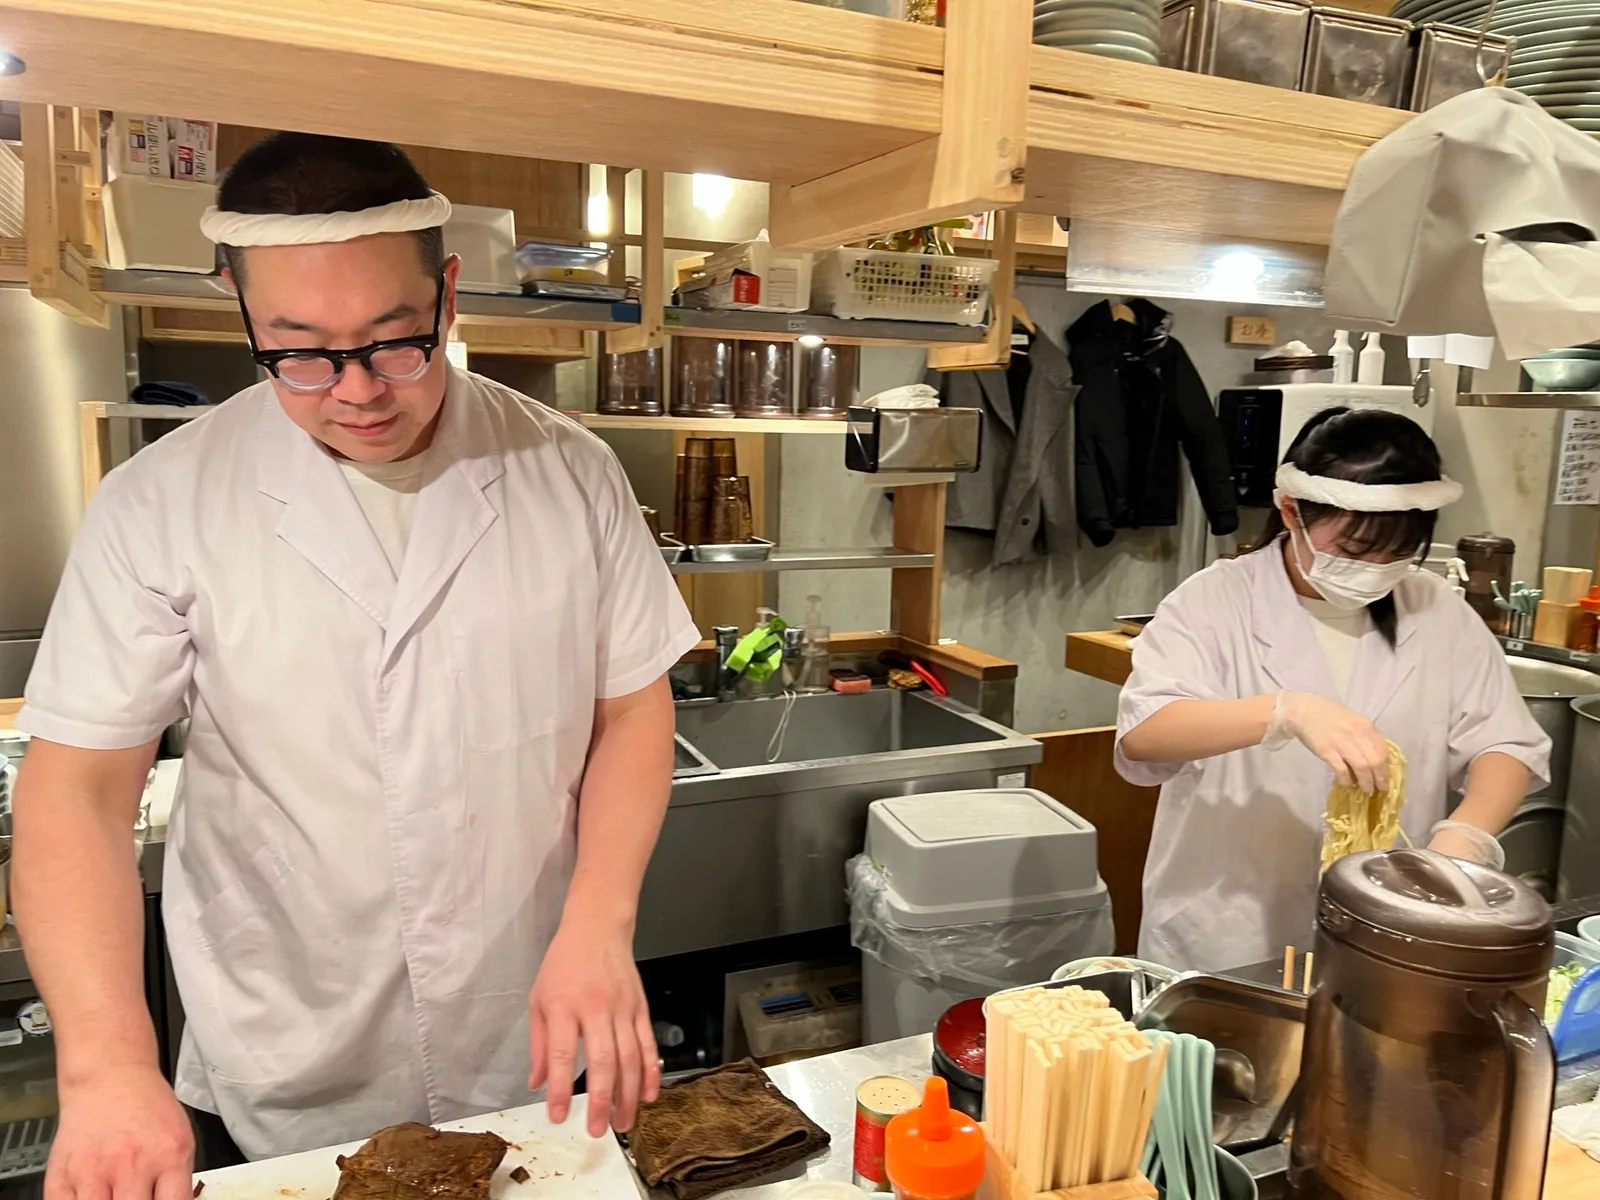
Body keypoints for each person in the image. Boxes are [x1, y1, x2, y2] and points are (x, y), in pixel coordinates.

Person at [10, 133, 700, 1183]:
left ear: (448, 294)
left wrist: (601, 922)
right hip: (289, 1042)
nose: (357, 391)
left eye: (393, 342)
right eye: (298, 351)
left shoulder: (572, 470)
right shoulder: (161, 502)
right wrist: (104, 1070)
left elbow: (631, 708)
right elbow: (79, 794)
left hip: (528, 1025)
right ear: (241, 313)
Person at [1115, 407, 1549, 972]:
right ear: (1291, 510)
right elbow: (1146, 734)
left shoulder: (1437, 610)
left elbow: (1505, 743)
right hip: (1229, 929)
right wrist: (1287, 712)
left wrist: (1462, 841)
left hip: (1389, 927)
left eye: (1397, 554)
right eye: (1355, 550)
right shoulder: (1216, 601)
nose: (1377, 569)